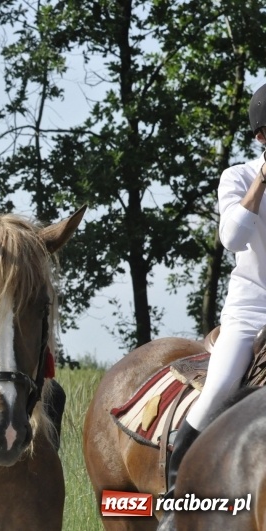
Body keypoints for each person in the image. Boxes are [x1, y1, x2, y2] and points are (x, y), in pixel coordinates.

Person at [166, 82, 266, 496]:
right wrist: (261, 180)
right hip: (252, 314)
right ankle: (175, 489)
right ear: (262, 136)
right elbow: (232, 238)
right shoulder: (238, 176)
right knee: (219, 389)